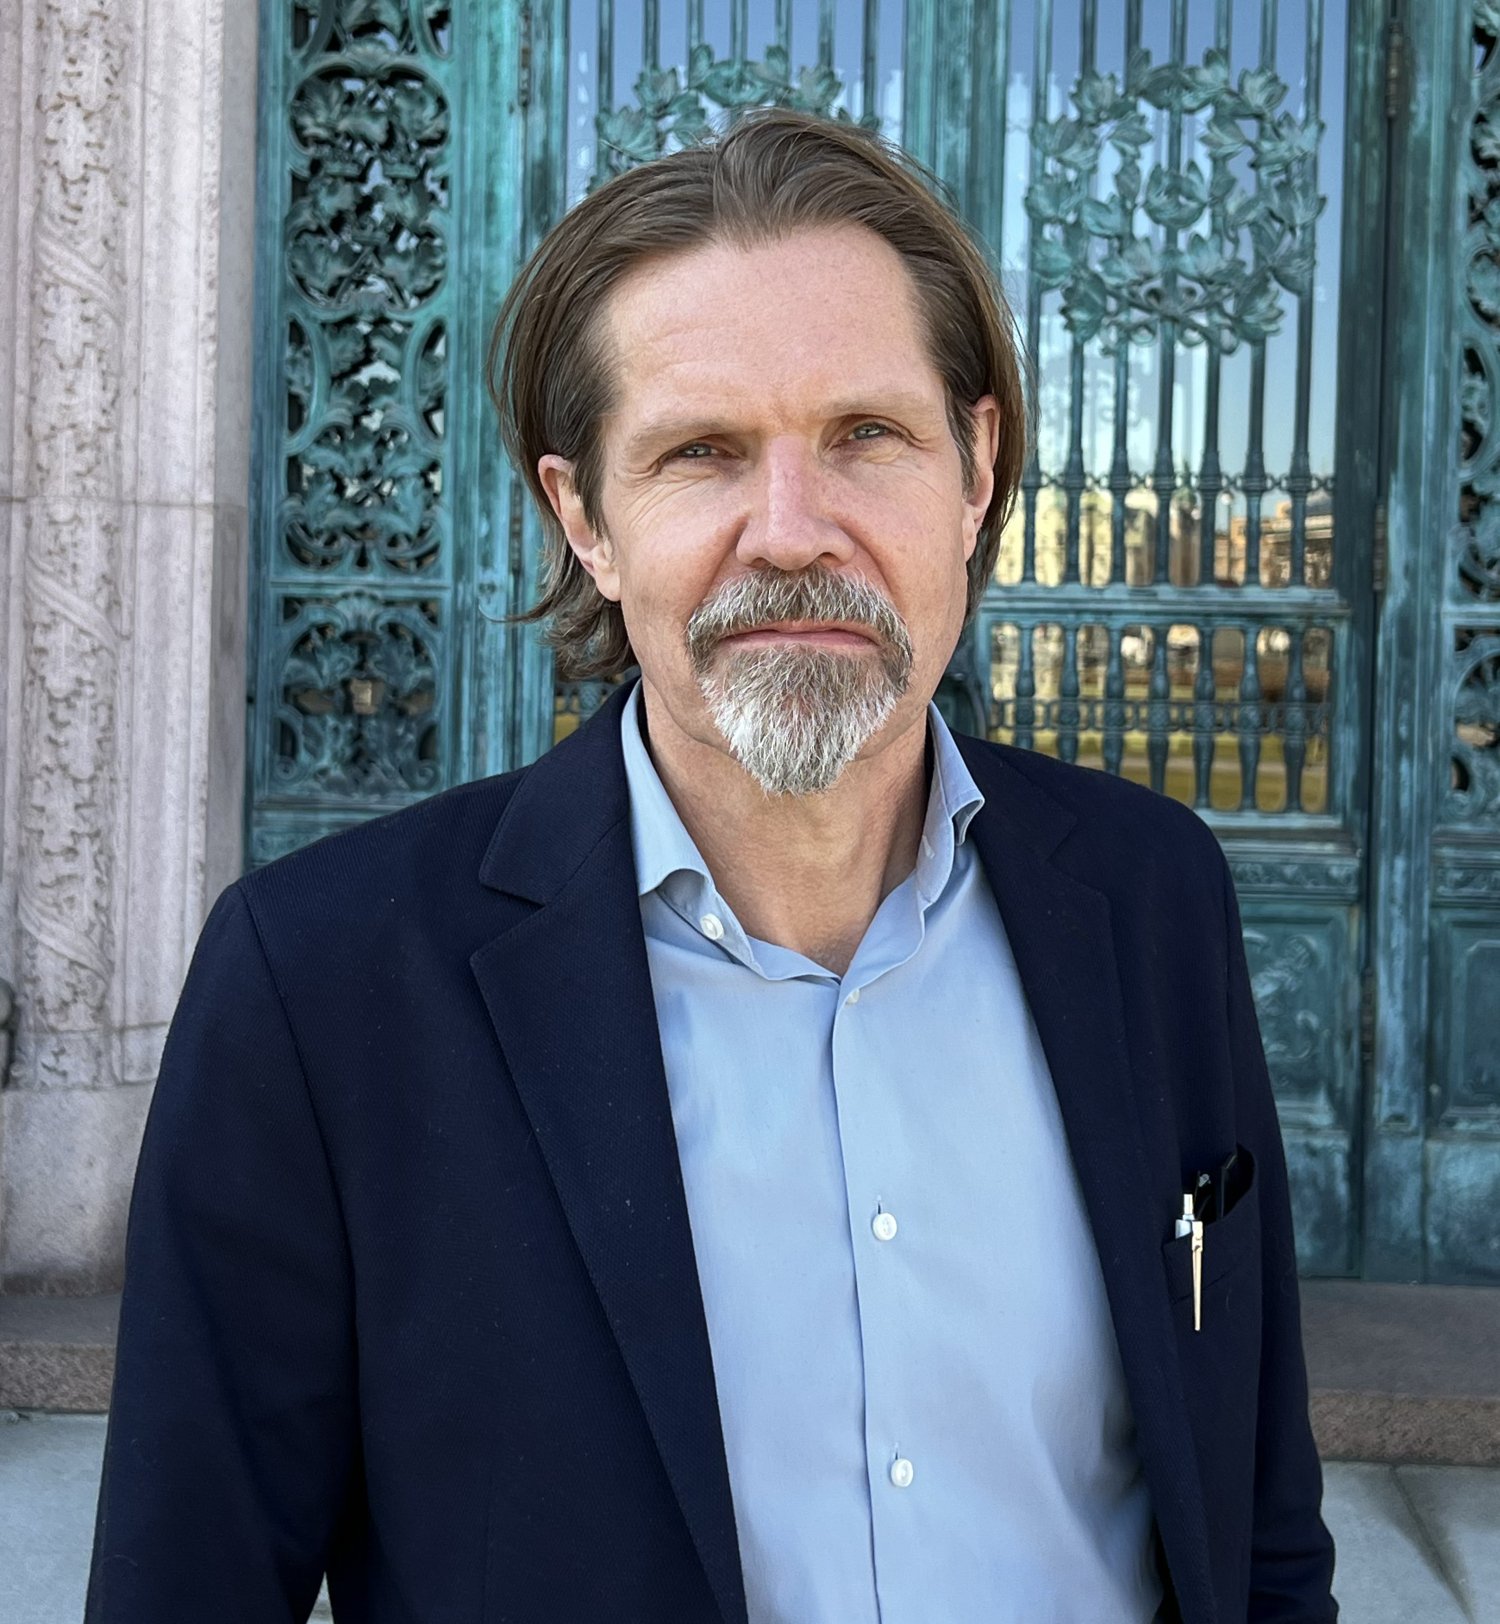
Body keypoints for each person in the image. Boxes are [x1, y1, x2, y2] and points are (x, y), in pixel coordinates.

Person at [85, 108, 1338, 1623]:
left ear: (977, 471)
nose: (793, 532)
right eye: (701, 452)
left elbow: (1259, 1531)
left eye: (866, 436)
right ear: (585, 519)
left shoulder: (1153, 901)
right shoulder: (323, 990)